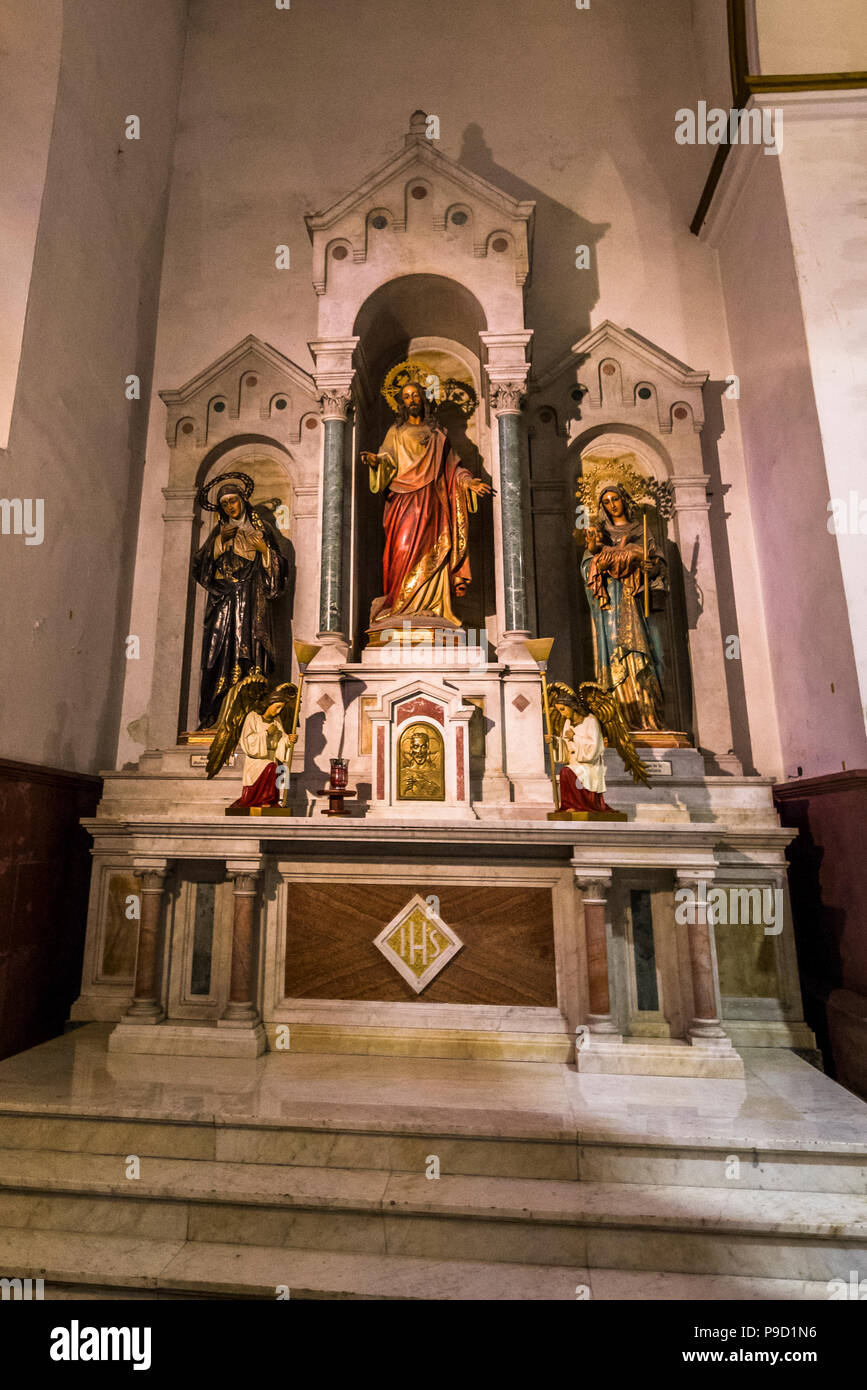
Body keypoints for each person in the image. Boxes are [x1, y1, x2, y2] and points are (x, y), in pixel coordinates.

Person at [361, 375, 490, 631]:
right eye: (406, 396)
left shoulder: (438, 435)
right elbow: (387, 459)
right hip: (403, 502)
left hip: (433, 502)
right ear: (401, 403)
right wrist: (377, 462)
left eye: (415, 395)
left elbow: (453, 468)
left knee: (435, 550)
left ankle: (434, 607)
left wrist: (468, 483)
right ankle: (400, 606)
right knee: (402, 549)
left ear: (424, 399)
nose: (411, 400)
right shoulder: (395, 433)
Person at [192, 478, 288, 729]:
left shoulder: (263, 529)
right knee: (219, 655)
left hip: (252, 603)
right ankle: (216, 714)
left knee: (250, 653)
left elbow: (279, 573)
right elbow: (199, 568)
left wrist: (264, 551)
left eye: (233, 501)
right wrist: (218, 543)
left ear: (243, 500)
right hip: (223, 604)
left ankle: (250, 717)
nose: (230, 507)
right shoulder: (219, 532)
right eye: (224, 504)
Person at [581, 481, 667, 730]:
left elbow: (658, 562)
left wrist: (652, 568)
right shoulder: (599, 534)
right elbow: (587, 568)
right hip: (610, 606)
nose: (611, 505)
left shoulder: (642, 530)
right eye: (606, 502)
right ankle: (621, 717)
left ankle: (650, 715)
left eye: (614, 499)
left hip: (638, 601)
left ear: (624, 500)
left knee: (651, 654)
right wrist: (600, 561)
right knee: (616, 651)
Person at [229, 686, 297, 810]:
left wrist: (288, 740)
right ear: (269, 704)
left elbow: (281, 739)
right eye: (277, 707)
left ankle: (270, 801)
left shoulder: (276, 721)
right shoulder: (253, 717)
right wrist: (266, 733)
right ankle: (262, 801)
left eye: (281, 708)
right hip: (257, 761)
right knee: (271, 768)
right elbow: (247, 739)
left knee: (275, 769)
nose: (278, 711)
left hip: (271, 757)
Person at [549, 697, 617, 814]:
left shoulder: (591, 721)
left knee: (567, 772)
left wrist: (575, 737)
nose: (562, 713)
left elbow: (594, 746)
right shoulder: (568, 723)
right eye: (559, 711)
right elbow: (565, 744)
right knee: (566, 771)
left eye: (563, 709)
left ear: (571, 706)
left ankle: (579, 805)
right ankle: (571, 805)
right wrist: (555, 741)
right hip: (574, 763)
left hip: (589, 764)